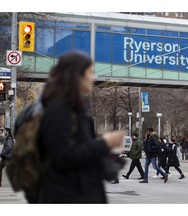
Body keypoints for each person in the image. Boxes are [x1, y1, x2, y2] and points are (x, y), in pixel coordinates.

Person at [35, 51, 124, 203]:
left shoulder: (77, 110)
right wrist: (105, 143)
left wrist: (109, 152)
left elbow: (83, 155)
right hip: (67, 196)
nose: (94, 78)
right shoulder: (58, 111)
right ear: (76, 75)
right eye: (90, 72)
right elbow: (64, 157)